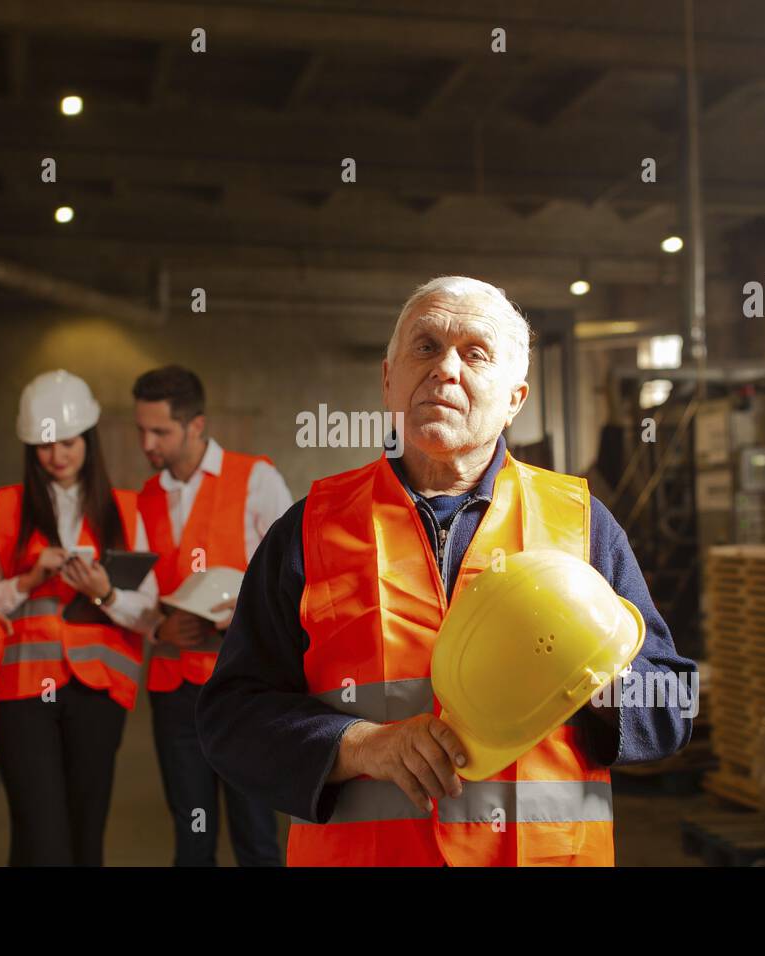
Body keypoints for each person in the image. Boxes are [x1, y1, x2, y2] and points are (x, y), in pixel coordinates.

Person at [197, 276, 698, 866]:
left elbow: (673, 702)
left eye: (475, 353)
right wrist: (358, 746)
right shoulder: (308, 530)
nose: (446, 369)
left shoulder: (582, 525)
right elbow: (230, 716)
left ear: (515, 397)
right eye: (426, 347)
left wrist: (588, 682)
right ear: (389, 379)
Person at [0, 370, 160, 866]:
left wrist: (105, 593)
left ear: (88, 439)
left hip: (98, 691)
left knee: (85, 829)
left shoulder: (125, 510)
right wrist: (27, 582)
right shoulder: (8, 506)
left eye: (68, 442)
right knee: (38, 831)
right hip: (24, 692)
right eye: (45, 445)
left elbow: (149, 613)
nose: (58, 455)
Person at [133, 365, 292, 866]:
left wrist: (233, 619)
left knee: (255, 830)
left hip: (243, 685)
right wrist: (159, 626)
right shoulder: (146, 497)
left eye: (159, 431)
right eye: (142, 430)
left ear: (195, 426)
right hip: (174, 691)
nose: (147, 442)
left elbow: (291, 572)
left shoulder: (256, 479)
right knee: (191, 831)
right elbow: (137, 590)